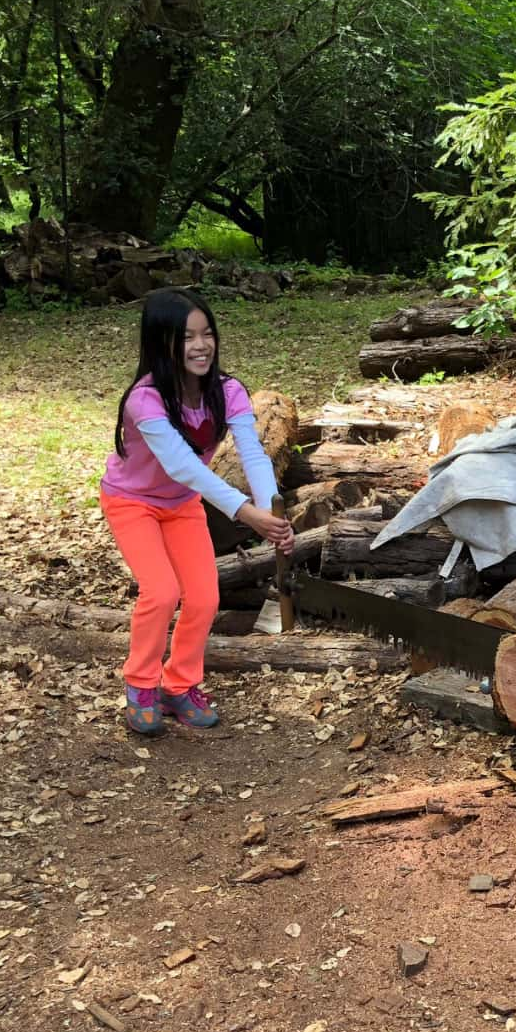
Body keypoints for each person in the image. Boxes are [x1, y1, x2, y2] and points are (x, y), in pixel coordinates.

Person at [101, 289, 294, 736]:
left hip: (181, 506)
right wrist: (246, 514)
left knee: (205, 597)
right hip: (132, 503)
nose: (201, 345)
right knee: (162, 592)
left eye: (207, 334)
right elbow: (182, 466)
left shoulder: (227, 391)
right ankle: (141, 685)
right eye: (187, 337)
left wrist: (271, 512)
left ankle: (180, 684)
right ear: (161, 342)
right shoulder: (144, 399)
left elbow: (253, 452)